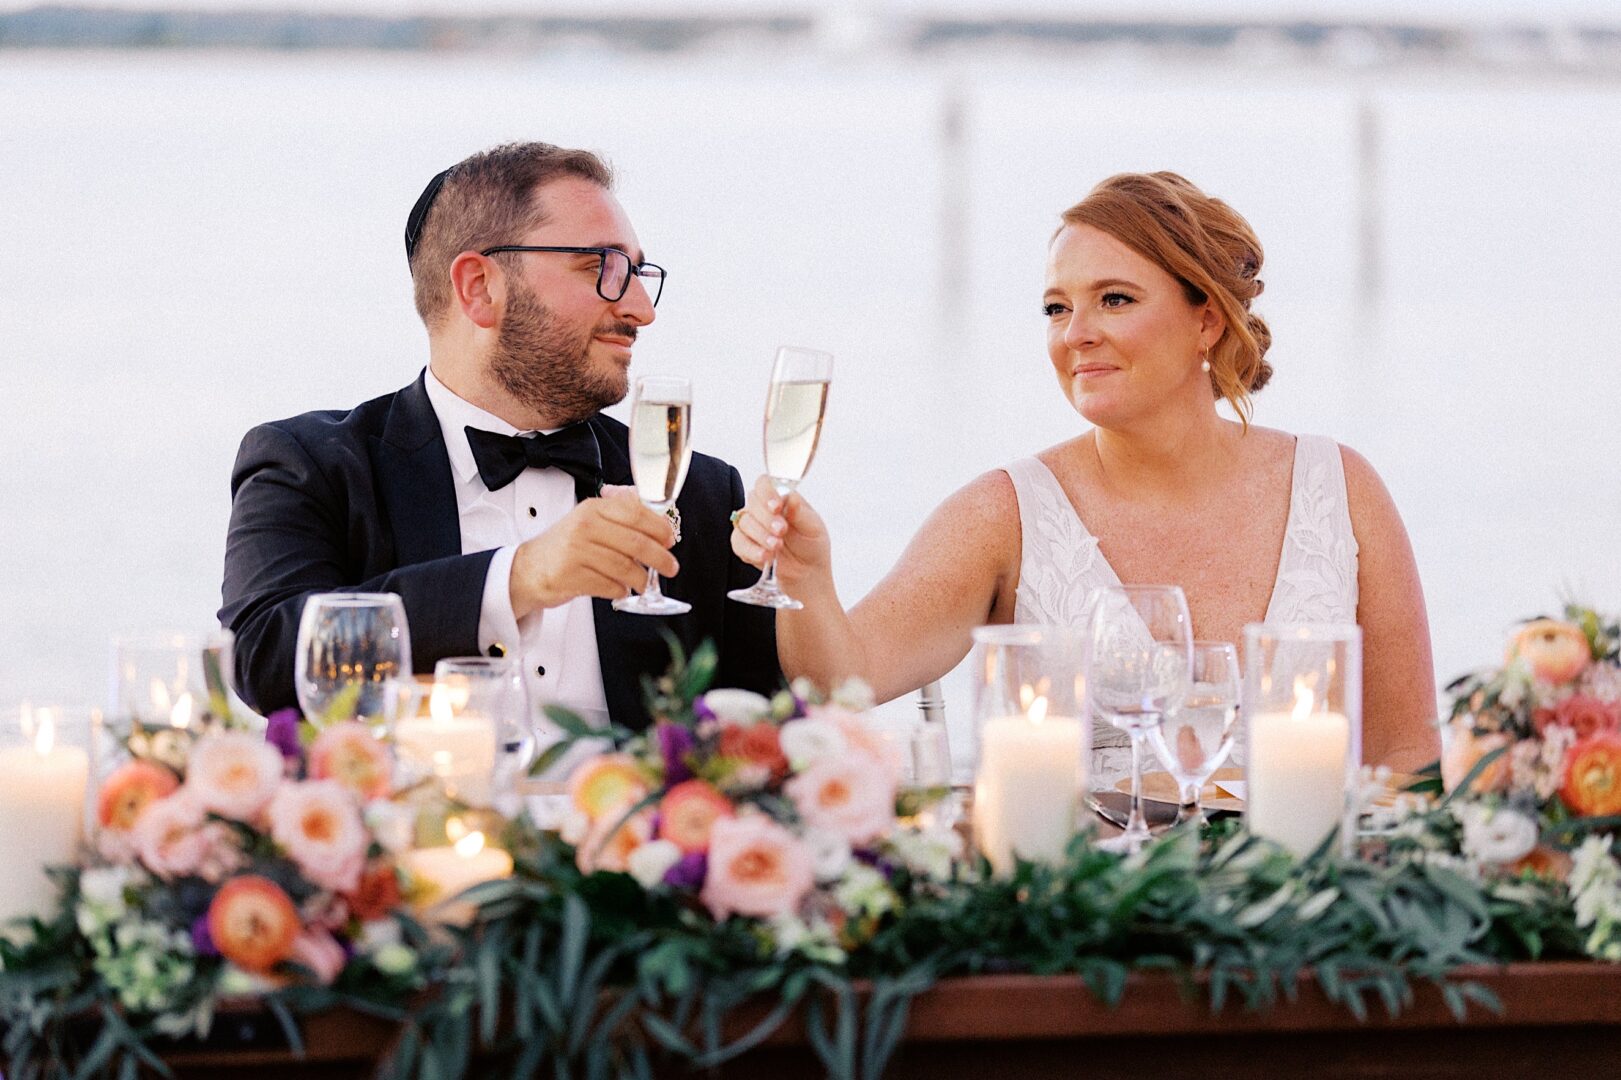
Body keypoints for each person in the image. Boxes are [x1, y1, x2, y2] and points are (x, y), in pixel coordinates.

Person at [731, 171, 1439, 772]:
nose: (1075, 334)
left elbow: (1407, 754)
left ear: (1207, 320)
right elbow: (839, 684)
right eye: (1056, 308)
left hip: (1313, 914)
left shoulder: (1340, 489)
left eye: (1115, 299)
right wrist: (804, 577)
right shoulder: (1002, 514)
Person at [221, 141, 779, 730]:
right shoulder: (311, 464)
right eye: (603, 268)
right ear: (480, 287)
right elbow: (265, 658)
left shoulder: (701, 493)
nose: (641, 308)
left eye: (638, 273)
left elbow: (761, 726)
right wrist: (520, 577)